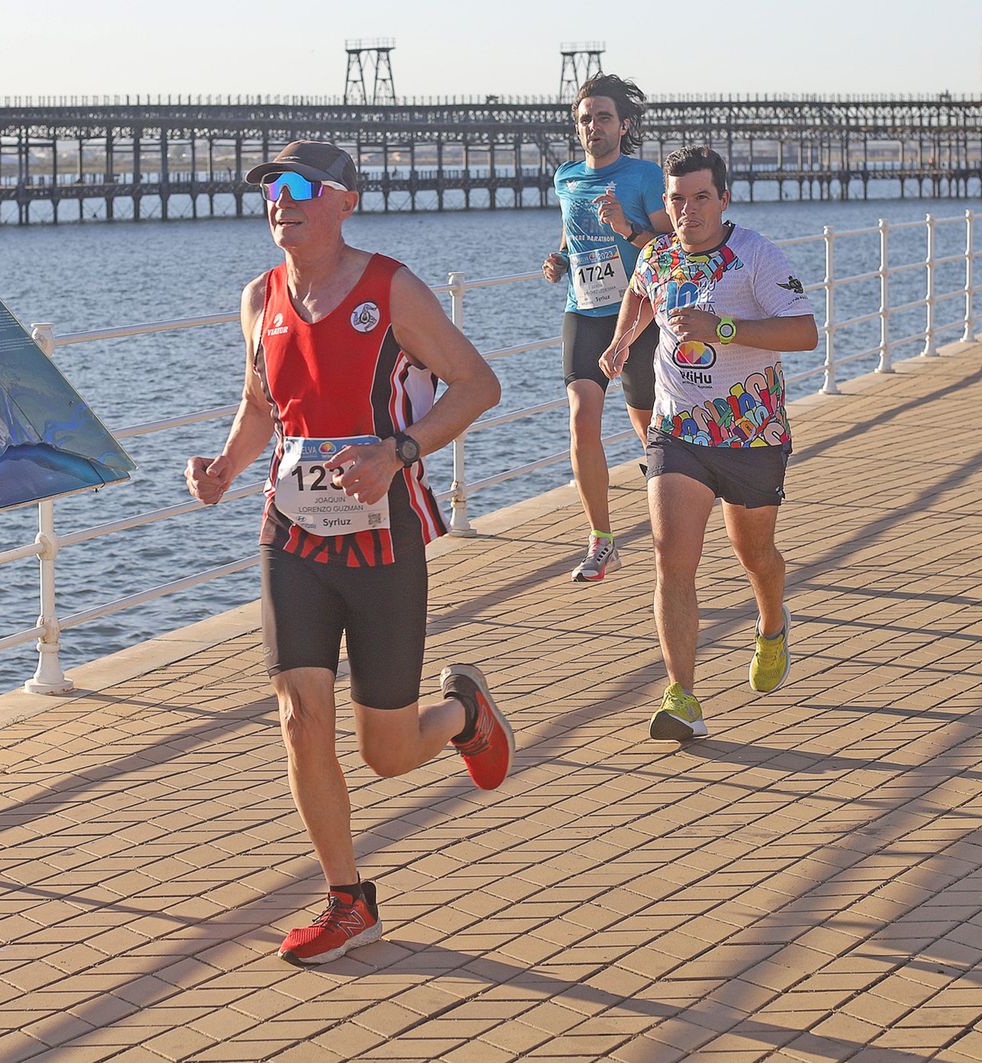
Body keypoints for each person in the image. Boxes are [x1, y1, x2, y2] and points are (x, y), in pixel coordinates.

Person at [183, 141, 511, 967]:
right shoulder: (259, 297)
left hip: (382, 530)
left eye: (296, 188)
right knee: (299, 714)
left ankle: (465, 714)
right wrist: (224, 466)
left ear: (344, 200)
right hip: (290, 530)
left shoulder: (390, 288)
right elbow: (262, 404)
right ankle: (346, 898)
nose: (277, 202)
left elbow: (478, 384)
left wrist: (398, 450)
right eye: (267, 190)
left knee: (386, 752)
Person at [600, 146, 817, 741]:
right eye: (676, 199)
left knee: (756, 556)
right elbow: (641, 292)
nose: (687, 209)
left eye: (700, 197)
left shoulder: (756, 257)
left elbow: (804, 331)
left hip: (751, 432)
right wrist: (623, 340)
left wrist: (723, 329)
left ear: (724, 198)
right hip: (679, 430)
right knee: (672, 558)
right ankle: (683, 696)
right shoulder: (656, 253)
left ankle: (772, 623)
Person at [541, 74, 671, 582]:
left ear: (624, 124)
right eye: (584, 119)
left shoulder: (643, 176)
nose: (592, 126)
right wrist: (558, 260)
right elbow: (571, 236)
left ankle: (671, 526)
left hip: (637, 314)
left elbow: (668, 247)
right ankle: (601, 540)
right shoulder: (565, 177)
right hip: (584, 310)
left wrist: (626, 228)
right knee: (581, 417)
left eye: (602, 117)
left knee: (649, 434)